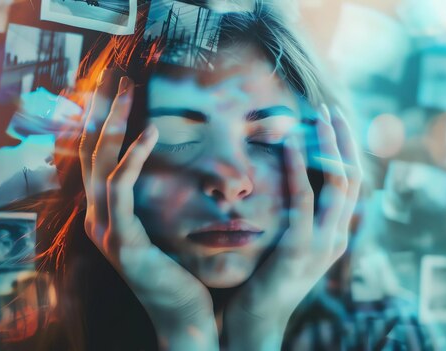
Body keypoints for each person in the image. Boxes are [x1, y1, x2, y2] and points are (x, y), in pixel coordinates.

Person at [37, 2, 363, 350]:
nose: (230, 182)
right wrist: (182, 327)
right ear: (105, 157)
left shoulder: (388, 335)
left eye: (268, 140)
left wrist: (259, 329)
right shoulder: (23, 328)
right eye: (178, 138)